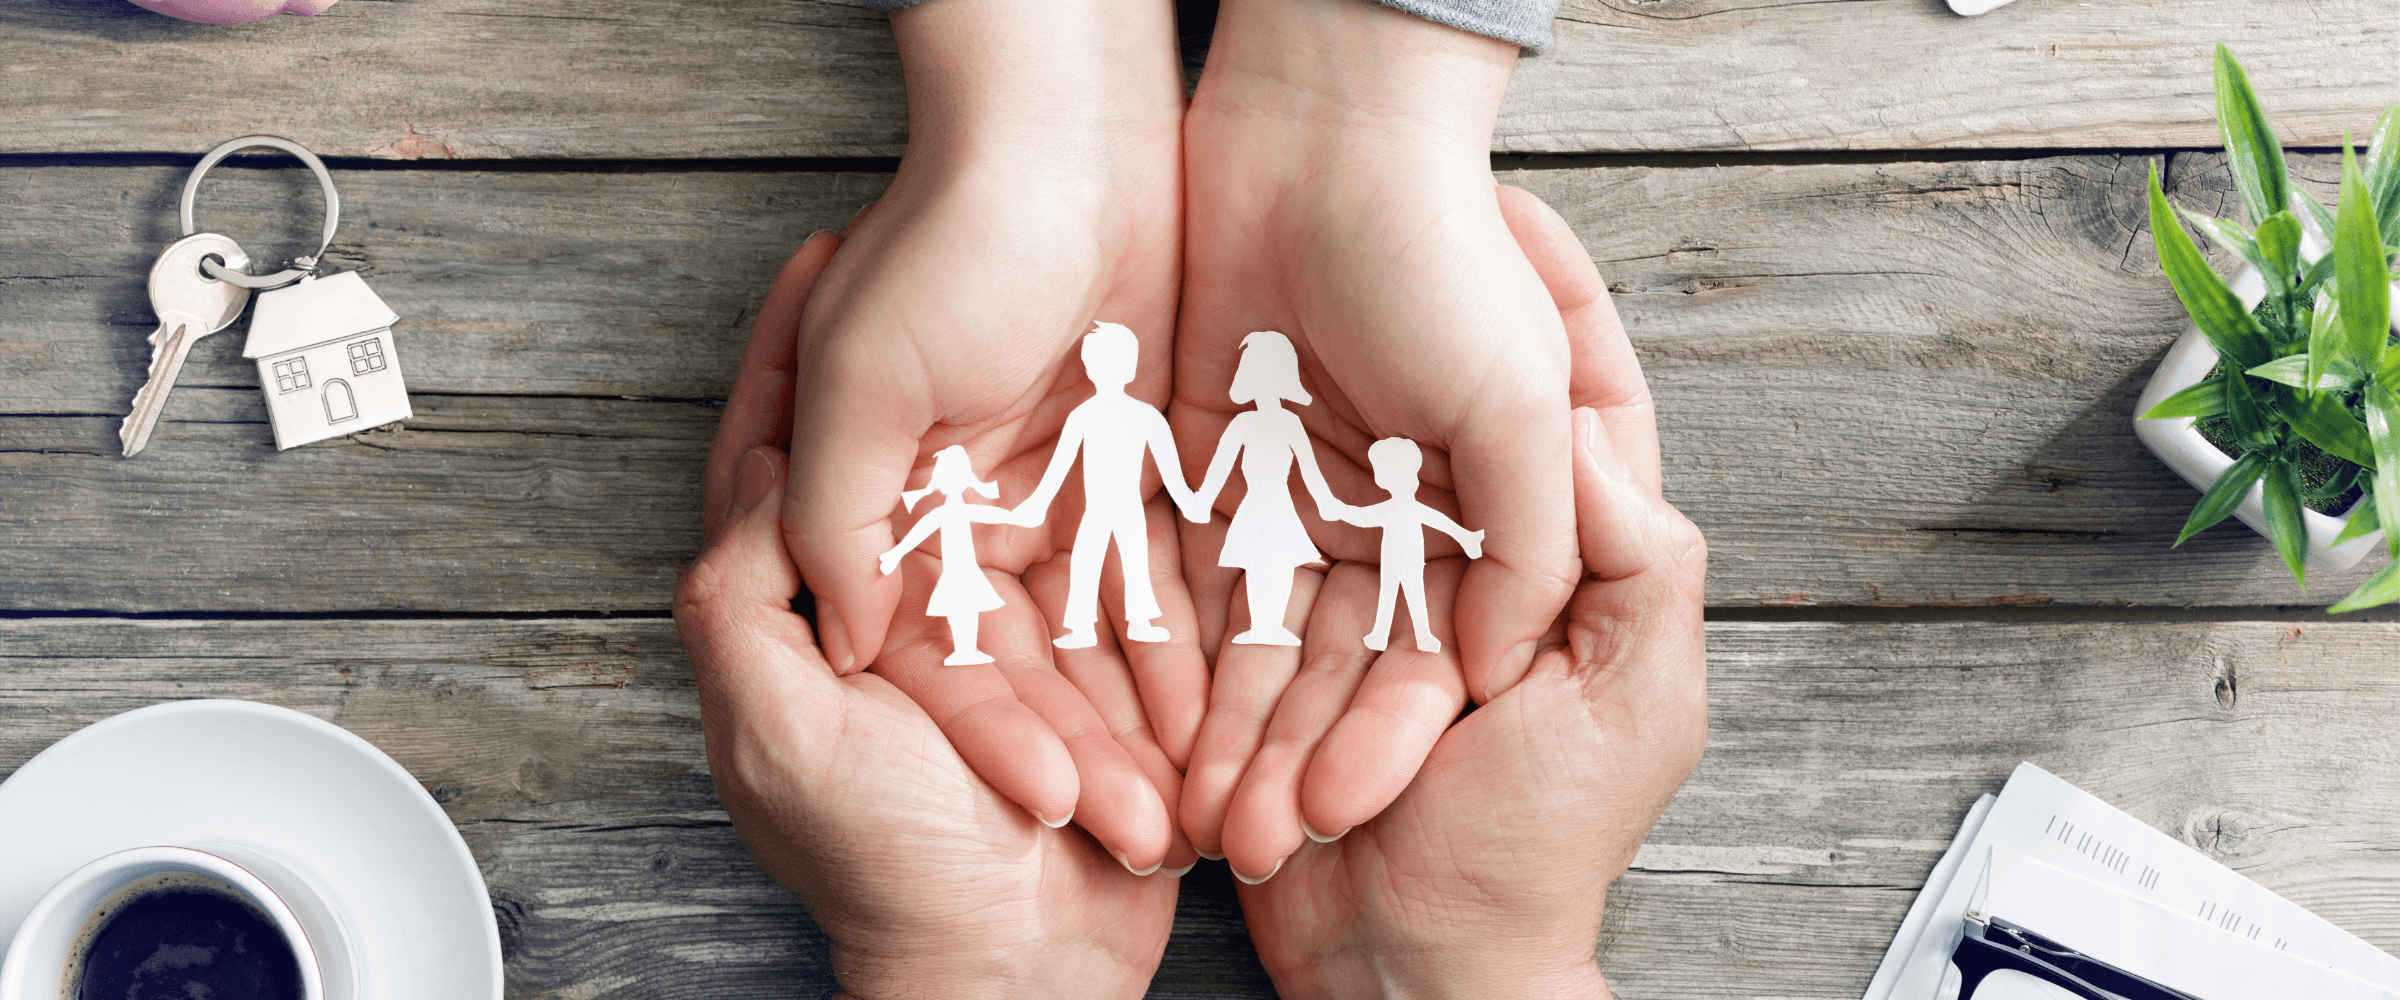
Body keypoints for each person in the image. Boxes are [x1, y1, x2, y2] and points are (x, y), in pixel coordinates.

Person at [677, 0, 1707, 995]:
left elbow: (1261, 476)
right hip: (1146, 512)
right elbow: (1160, 466)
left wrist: (985, 978)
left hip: (1193, 516)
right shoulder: (1113, 424)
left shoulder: (1205, 427)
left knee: (1124, 570)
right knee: (1101, 576)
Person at [1010, 322, 1205, 650]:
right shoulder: (1083, 416)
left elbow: (1171, 468)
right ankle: (1082, 628)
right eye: (1097, 363)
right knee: (1086, 561)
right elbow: (1059, 465)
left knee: (1135, 560)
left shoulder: (1146, 416)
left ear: (1129, 367)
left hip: (1128, 506)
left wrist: (1187, 501)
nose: (1103, 371)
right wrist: (1037, 503)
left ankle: (1140, 622)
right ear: (1089, 368)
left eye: (1111, 362)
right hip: (1097, 508)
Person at [1186, 330, 1355, 647]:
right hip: (1255, 504)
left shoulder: (1290, 423)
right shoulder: (1242, 424)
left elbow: (1309, 467)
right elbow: (1220, 466)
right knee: (1256, 563)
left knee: (1280, 562)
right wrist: (1203, 499)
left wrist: (1326, 501)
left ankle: (1273, 626)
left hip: (1279, 504)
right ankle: (1261, 626)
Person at [1339, 437, 1486, 654]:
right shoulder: (1398, 507)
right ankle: (1383, 635)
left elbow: (1363, 517)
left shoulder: (1402, 507)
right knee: (1396, 593)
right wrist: (1340, 510)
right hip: (1396, 557)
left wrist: (1340, 511)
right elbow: (1363, 517)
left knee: (1407, 593)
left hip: (1407, 558)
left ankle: (1416, 635)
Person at [878, 445, 1013, 665]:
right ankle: (963, 651)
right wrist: (896, 554)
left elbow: (987, 513)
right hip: (955, 572)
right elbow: (918, 533)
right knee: (961, 609)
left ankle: (968, 650)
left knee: (969, 609)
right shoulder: (943, 512)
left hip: (967, 570)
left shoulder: (958, 509)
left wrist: (1012, 516)